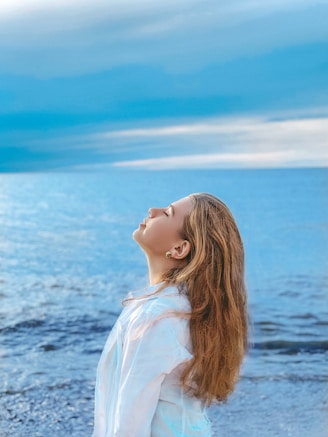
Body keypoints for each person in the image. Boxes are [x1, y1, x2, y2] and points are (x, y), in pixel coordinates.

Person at [92, 192, 248, 437]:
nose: (152, 210)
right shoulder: (188, 310)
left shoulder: (157, 318)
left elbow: (130, 423)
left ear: (179, 248)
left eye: (166, 213)